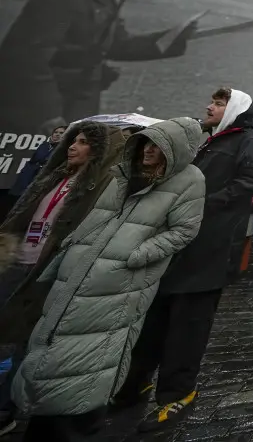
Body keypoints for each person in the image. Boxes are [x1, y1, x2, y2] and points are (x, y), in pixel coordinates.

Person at [12, 118, 206, 441]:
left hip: (120, 283)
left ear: (175, 150)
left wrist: (138, 254)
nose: (148, 150)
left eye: (158, 146)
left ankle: (73, 422)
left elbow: (184, 230)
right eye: (147, 143)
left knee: (91, 356)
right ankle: (43, 415)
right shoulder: (124, 173)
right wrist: (73, 246)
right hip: (81, 270)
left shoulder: (190, 180)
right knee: (55, 341)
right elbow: (97, 218)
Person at [112, 87, 253, 433]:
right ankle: (135, 381)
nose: (209, 107)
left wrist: (201, 204)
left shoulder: (248, 140)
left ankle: (177, 393)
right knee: (153, 319)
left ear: (236, 108)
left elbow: (250, 183)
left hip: (208, 250)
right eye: (212, 102)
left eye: (218, 102)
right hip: (179, 244)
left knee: (187, 327)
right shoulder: (212, 139)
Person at [0, 122, 125, 435]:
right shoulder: (54, 176)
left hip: (46, 272)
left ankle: (8, 407)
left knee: (27, 344)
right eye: (72, 141)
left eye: (83, 142)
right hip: (18, 263)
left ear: (97, 152)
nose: (72, 146)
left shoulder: (97, 187)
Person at [0, 0, 195, 133]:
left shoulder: (105, 0)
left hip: (77, 105)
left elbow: (118, 45)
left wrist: (173, 37)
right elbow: (28, 59)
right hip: (40, 110)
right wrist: (48, 114)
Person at [3, 126, 67, 220]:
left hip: (42, 181)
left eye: (61, 133)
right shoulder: (44, 145)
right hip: (27, 177)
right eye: (56, 132)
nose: (57, 134)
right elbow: (36, 159)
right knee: (14, 204)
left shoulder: (64, 150)